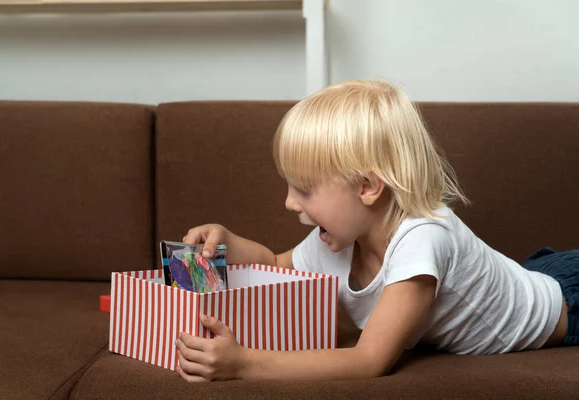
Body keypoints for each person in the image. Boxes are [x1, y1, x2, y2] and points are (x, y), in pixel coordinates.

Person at [173, 79, 575, 382]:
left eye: (304, 189)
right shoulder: (339, 236)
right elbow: (276, 266)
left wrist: (244, 363)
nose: (289, 203)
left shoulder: (422, 239)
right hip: (533, 273)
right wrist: (228, 242)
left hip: (567, 306)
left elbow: (369, 360)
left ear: (367, 187)